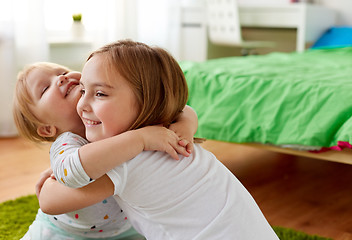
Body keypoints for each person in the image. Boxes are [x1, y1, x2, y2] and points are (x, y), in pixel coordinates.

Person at [38, 40, 280, 240]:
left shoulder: (127, 158)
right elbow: (185, 109)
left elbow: (52, 198)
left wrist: (47, 183)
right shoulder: (168, 130)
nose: (82, 104)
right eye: (82, 90)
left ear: (148, 102)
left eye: (100, 93)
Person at [13, 61, 198, 239]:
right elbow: (69, 170)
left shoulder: (116, 117)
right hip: (68, 233)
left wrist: (185, 126)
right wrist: (140, 139)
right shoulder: (66, 143)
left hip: (128, 228)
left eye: (62, 72)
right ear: (47, 129)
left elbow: (182, 109)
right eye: (45, 88)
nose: (62, 79)